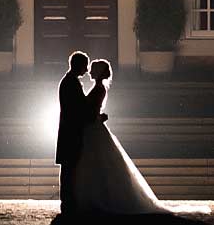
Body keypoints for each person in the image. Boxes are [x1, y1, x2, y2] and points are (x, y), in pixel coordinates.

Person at [64, 59, 166, 216]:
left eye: (92, 69)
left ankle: (94, 198)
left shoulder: (98, 88)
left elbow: (91, 112)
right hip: (92, 128)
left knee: (93, 164)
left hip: (92, 129)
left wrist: (96, 117)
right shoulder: (98, 87)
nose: (88, 71)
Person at [55, 51, 94, 209]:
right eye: (85, 66)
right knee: (70, 166)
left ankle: (68, 196)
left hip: (68, 130)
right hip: (71, 131)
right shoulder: (71, 83)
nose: (86, 70)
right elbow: (78, 108)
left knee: (69, 166)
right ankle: (68, 197)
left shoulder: (69, 81)